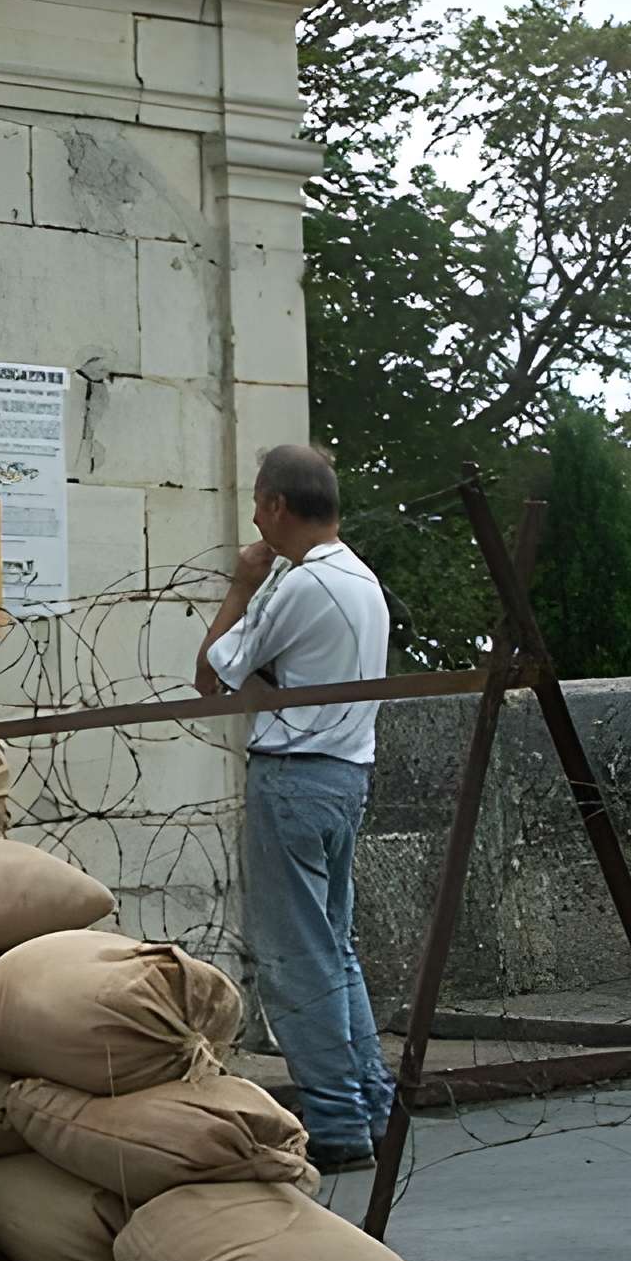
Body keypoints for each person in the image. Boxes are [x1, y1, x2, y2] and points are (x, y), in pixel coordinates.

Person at [195, 444, 396, 1175]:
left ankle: (339, 1120)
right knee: (333, 946)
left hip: (294, 777)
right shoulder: (360, 579)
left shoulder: (300, 584)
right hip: (347, 775)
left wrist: (242, 585)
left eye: (257, 502)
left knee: (294, 955)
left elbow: (213, 671)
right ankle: (370, 1100)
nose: (254, 518)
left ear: (278, 505)